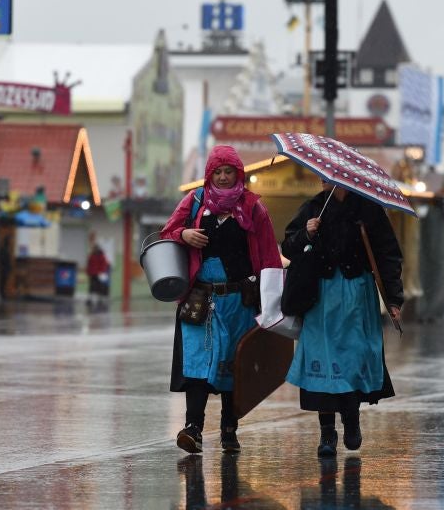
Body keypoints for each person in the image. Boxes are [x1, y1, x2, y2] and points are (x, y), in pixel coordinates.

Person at [160, 145, 282, 454]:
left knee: (233, 365)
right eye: (218, 171)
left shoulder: (255, 208)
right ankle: (194, 428)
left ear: (239, 174)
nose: (224, 177)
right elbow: (168, 232)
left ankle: (230, 429)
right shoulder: (195, 202)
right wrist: (185, 235)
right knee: (197, 364)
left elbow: (269, 255)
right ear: (209, 174)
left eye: (229, 171)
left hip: (238, 300)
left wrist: (273, 303)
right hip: (200, 299)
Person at [282, 179, 403, 457]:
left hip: (357, 298)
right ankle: (326, 432)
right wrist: (306, 234)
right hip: (320, 299)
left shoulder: (368, 211)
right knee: (323, 363)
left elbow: (387, 255)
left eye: (333, 178)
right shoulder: (313, 207)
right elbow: (288, 246)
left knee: (351, 361)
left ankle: (351, 420)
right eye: (323, 177)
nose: (326, 181)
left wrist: (394, 298)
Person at [86, 241, 110, 309]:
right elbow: (89, 264)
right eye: (94, 248)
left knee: (100, 287)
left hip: (99, 274)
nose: (94, 249)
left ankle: (100, 300)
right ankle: (90, 300)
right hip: (93, 274)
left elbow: (104, 264)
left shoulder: (101, 256)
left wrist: (102, 272)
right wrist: (88, 272)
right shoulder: (91, 255)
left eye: (95, 248)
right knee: (91, 287)